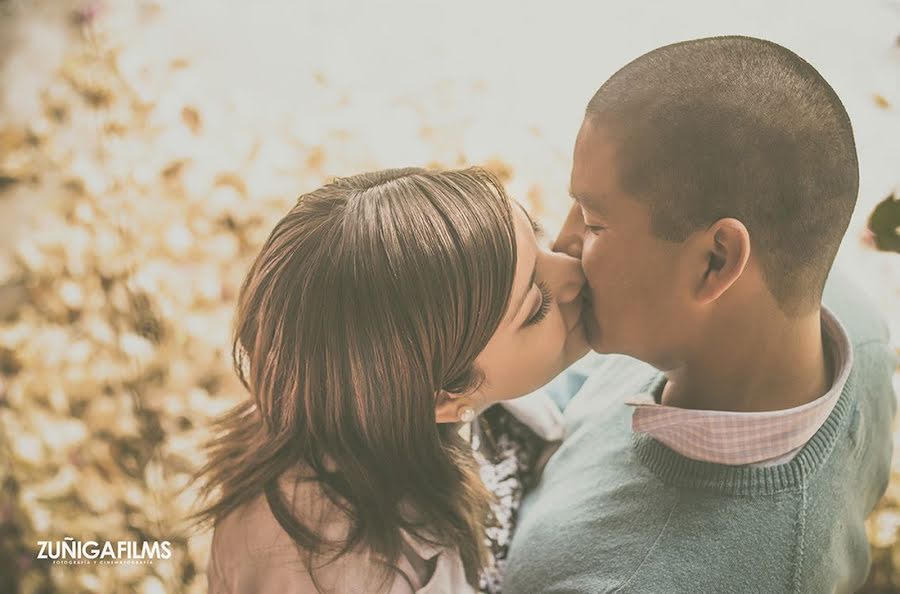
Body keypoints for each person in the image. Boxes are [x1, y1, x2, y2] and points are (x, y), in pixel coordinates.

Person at [504, 36, 897, 593]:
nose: (564, 243)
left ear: (717, 261)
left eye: (594, 223)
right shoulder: (848, 317)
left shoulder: (641, 578)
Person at [193, 167, 589, 593]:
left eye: (537, 233)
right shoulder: (343, 575)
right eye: (536, 307)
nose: (573, 271)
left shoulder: (359, 394)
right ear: (443, 398)